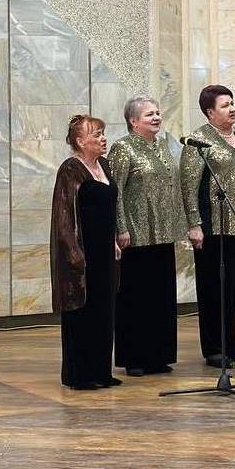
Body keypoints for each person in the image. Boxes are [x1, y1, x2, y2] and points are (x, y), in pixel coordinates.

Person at [180, 85, 235, 368]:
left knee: (232, 289)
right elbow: (189, 186)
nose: (232, 109)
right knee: (212, 288)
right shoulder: (198, 141)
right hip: (213, 227)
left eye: (232, 103)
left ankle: (231, 343)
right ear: (209, 112)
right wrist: (194, 224)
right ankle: (214, 348)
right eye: (225, 105)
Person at [107, 97, 183, 377]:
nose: (156, 118)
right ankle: (135, 357)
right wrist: (121, 227)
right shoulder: (122, 149)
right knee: (135, 299)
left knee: (161, 298)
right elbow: (115, 192)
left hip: (163, 233)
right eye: (149, 114)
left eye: (158, 113)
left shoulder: (162, 146)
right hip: (135, 236)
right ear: (133, 121)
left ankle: (158, 355)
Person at [50, 115, 121, 390]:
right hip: (81, 251)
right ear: (80, 141)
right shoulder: (71, 169)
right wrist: (73, 252)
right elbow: (64, 214)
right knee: (83, 310)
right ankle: (80, 374)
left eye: (103, 133)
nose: (103, 139)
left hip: (104, 250)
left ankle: (101, 371)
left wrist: (114, 238)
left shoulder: (103, 165)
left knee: (104, 310)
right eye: (96, 135)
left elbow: (109, 209)